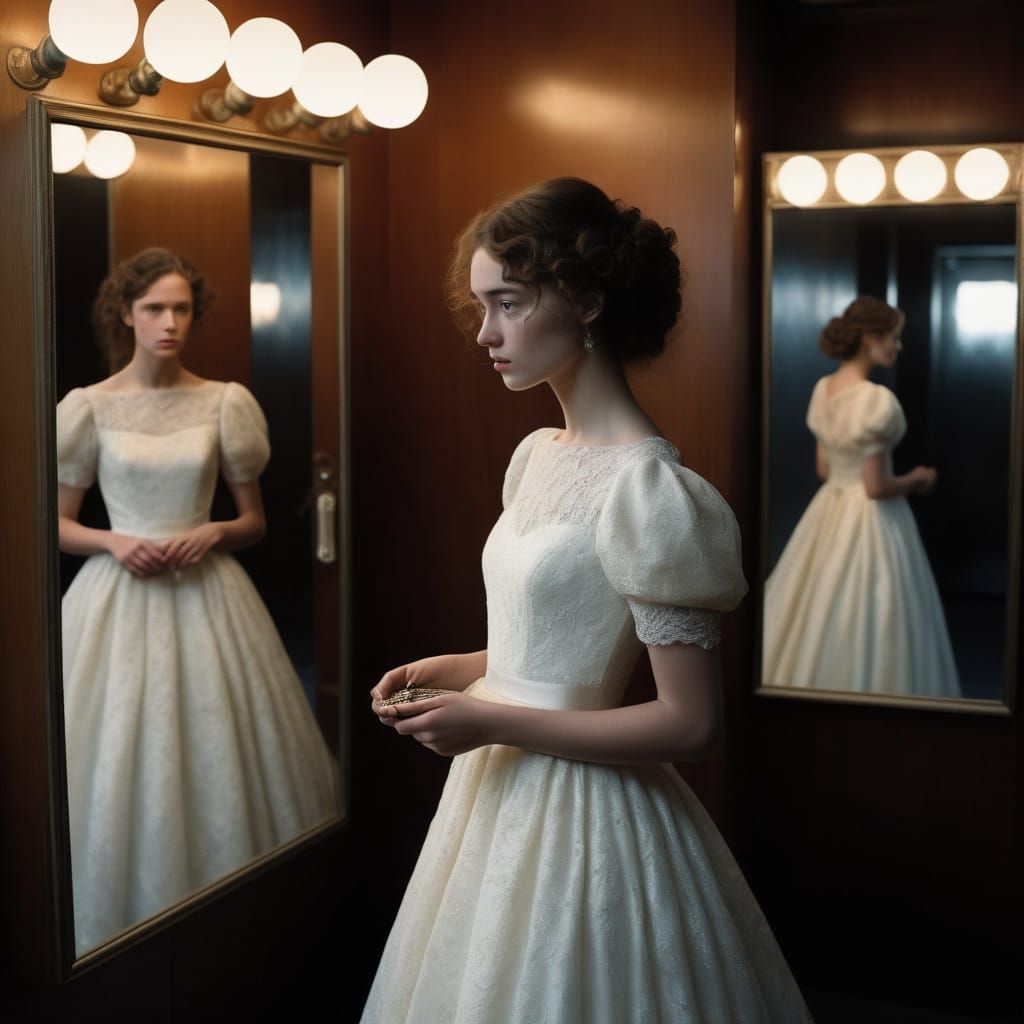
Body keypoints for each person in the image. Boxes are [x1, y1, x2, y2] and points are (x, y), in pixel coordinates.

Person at [362, 179, 811, 1022]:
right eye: (481, 306)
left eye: (509, 303)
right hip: (492, 798)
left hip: (586, 813)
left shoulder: (653, 493)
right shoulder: (536, 453)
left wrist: (492, 721)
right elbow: (555, 641)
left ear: (588, 301)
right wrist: (461, 668)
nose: (486, 332)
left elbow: (691, 725)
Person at [56, 247, 340, 954]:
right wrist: (114, 542)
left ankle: (235, 930)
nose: (169, 322)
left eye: (181, 309)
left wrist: (214, 530)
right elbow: (57, 525)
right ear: (126, 314)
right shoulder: (88, 408)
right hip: (118, 596)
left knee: (222, 750)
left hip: (208, 593)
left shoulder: (224, 401)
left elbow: (255, 522)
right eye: (154, 308)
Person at [763, 295, 960, 697]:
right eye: (893, 337)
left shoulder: (824, 389)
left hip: (830, 506)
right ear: (871, 337)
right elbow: (876, 487)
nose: (897, 346)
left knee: (816, 606)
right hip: (871, 518)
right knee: (879, 612)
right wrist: (916, 479)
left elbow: (824, 469)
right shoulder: (875, 399)